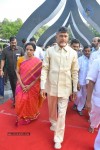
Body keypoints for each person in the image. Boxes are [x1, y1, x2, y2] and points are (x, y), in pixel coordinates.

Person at [40, 27, 79, 149]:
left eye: (65, 36)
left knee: (62, 113)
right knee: (52, 109)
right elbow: (45, 69)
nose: (63, 38)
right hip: (51, 86)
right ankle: (53, 121)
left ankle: (58, 138)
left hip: (65, 88)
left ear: (68, 38)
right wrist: (42, 87)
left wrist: (74, 90)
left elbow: (75, 72)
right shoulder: (50, 51)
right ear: (56, 37)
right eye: (61, 36)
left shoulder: (73, 53)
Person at [15, 42, 43, 125]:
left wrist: (30, 85)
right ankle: (22, 115)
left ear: (34, 51)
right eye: (27, 49)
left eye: (31, 50)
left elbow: (38, 76)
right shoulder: (20, 59)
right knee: (21, 100)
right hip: (21, 84)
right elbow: (17, 72)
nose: (29, 51)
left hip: (33, 86)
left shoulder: (38, 62)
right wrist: (22, 85)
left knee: (31, 101)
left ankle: (30, 116)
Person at [0, 36, 24, 106]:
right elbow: (3, 60)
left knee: (20, 86)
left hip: (20, 72)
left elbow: (25, 59)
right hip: (11, 72)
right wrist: (1, 69)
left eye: (15, 42)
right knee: (14, 86)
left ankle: (21, 99)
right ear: (9, 42)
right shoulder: (5, 50)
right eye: (12, 43)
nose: (14, 44)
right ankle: (15, 100)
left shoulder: (20, 49)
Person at [73, 45, 91, 115]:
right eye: (86, 51)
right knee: (78, 95)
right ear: (83, 51)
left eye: (88, 51)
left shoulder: (92, 60)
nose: (87, 52)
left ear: (90, 51)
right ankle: (76, 103)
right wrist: (77, 82)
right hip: (80, 81)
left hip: (88, 82)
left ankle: (79, 108)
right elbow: (77, 70)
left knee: (84, 96)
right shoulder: (80, 59)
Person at [86, 58, 100, 133]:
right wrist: (88, 101)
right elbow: (91, 81)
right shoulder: (97, 61)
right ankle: (93, 125)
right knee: (95, 114)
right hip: (98, 97)